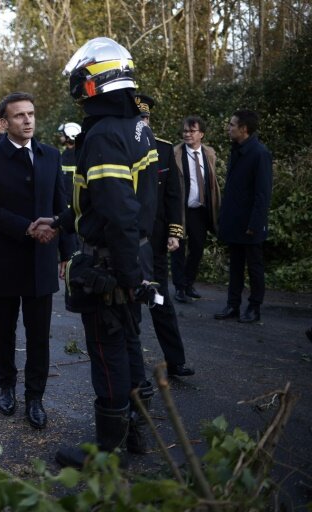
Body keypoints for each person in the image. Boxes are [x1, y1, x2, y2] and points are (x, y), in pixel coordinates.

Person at [45, 37, 157, 468]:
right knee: (129, 344)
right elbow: (102, 201)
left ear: (93, 81)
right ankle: (136, 436)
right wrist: (60, 222)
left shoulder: (104, 135)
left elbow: (116, 210)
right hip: (132, 256)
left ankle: (105, 455)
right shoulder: (135, 125)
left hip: (112, 263)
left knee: (109, 353)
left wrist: (126, 276)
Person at [0, 92, 74, 431]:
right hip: (5, 259)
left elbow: (62, 204)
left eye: (31, 114)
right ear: (3, 122)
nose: (28, 120)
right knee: (4, 332)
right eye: (19, 116)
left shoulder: (51, 156)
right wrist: (28, 229)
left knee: (39, 336)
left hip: (42, 260)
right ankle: (6, 387)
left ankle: (35, 397)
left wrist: (66, 251)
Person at [136, 95, 194, 378]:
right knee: (127, 304)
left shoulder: (164, 149)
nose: (142, 124)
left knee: (160, 300)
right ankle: (131, 367)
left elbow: (174, 196)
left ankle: (176, 361)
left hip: (156, 243)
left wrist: (175, 233)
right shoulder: (120, 149)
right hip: (128, 242)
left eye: (145, 119)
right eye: (137, 119)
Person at [214, 110, 273, 324]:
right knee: (236, 266)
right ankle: (233, 305)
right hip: (234, 220)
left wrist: (255, 224)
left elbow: (263, 193)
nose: (229, 128)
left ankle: (254, 308)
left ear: (244, 129)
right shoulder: (236, 150)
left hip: (250, 223)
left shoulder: (259, 153)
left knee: (254, 267)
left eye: (232, 125)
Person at [171, 116, 220, 303]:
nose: (187, 134)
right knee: (178, 249)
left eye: (192, 131)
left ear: (201, 134)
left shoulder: (209, 153)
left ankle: (189, 283)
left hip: (200, 210)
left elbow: (211, 183)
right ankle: (179, 287)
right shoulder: (174, 153)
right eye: (185, 131)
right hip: (181, 209)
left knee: (197, 249)